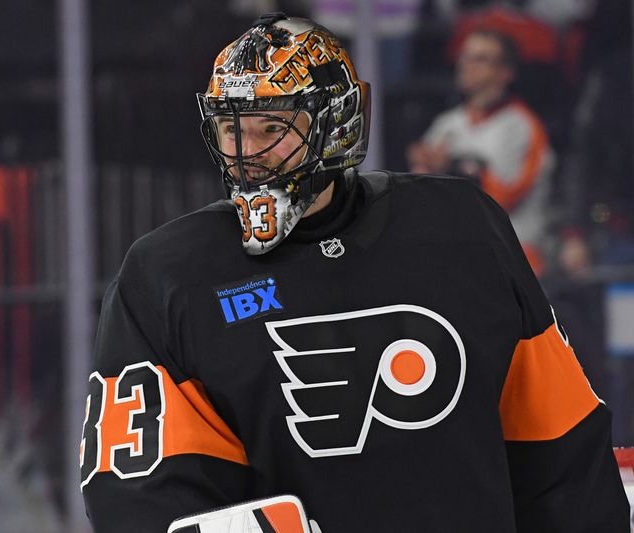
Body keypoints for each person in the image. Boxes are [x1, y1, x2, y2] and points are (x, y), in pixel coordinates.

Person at [80, 13, 628, 532]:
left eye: (271, 126)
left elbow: (558, 441)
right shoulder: (170, 274)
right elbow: (141, 492)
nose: (246, 154)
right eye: (231, 127)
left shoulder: (463, 229)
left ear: (334, 124)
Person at [407, 29, 554, 274]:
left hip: (513, 257)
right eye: (465, 57)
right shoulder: (447, 123)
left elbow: (500, 198)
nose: (467, 65)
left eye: (480, 59)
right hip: (455, 255)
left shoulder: (522, 126)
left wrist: (449, 167)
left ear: (505, 72)